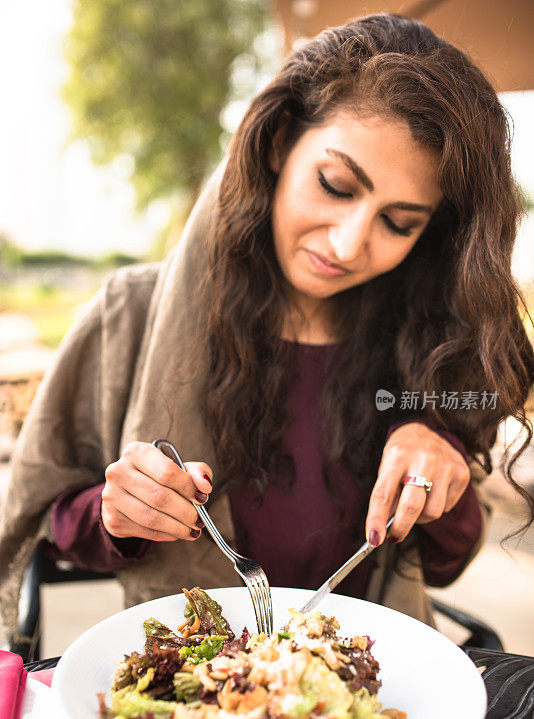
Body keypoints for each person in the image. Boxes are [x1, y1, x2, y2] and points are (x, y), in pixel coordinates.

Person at [1, 13, 533, 646]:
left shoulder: (422, 340)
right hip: (191, 688)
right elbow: (46, 524)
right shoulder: (128, 314)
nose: (348, 242)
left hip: (365, 683)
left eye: (399, 223)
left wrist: (437, 458)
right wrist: (116, 514)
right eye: (335, 186)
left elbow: (448, 562)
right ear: (280, 141)